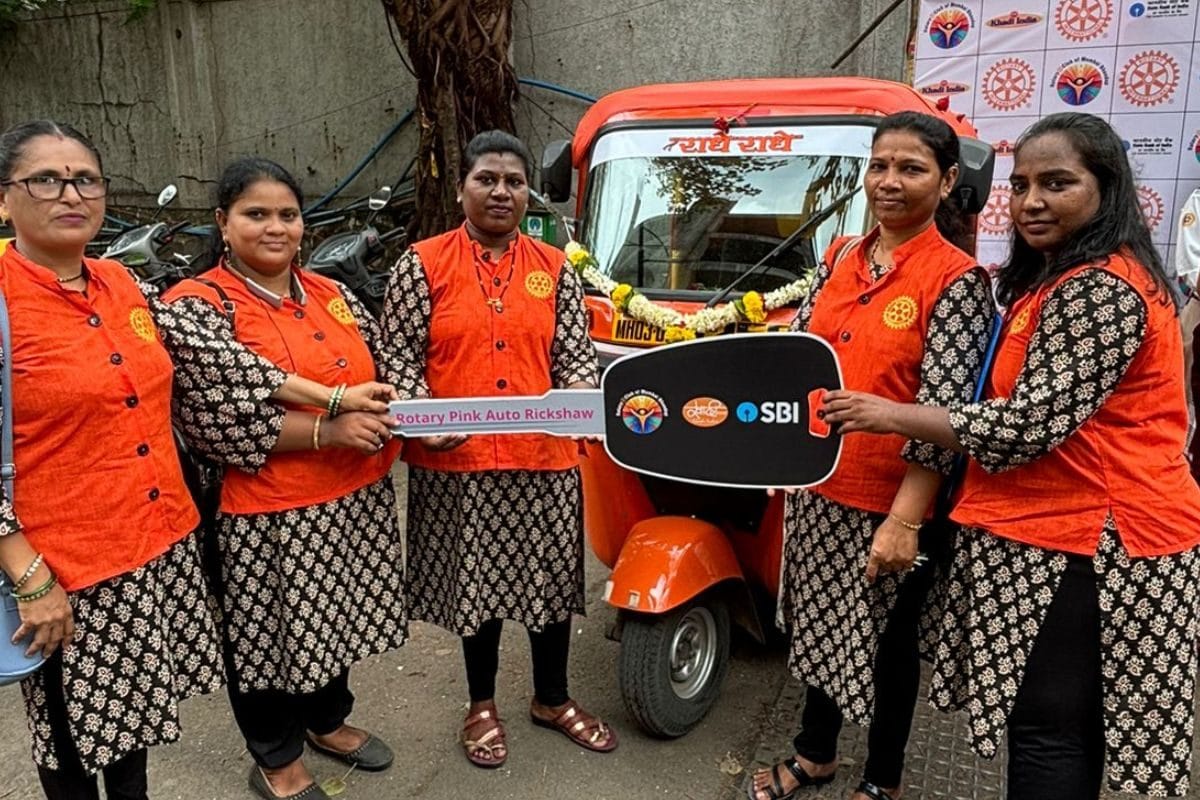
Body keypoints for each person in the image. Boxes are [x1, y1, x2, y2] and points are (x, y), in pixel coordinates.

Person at [0, 121, 385, 800]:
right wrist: (29, 576)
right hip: (63, 563)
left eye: (85, 179)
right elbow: (218, 412)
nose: (71, 194)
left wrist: (333, 397)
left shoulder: (122, 284)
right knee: (71, 736)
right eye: (46, 180)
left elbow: (224, 363)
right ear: (5, 200)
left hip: (153, 542)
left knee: (131, 724)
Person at [822, 112, 1200, 799]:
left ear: (1107, 187)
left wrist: (889, 415)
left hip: (1094, 537)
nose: (1031, 202)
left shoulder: (1102, 288)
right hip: (1042, 532)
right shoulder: (1055, 279)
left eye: (1057, 184)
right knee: (1057, 727)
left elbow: (1027, 424)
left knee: (1049, 733)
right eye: (1021, 185)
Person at [750, 111, 993, 800]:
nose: (889, 181)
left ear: (947, 181)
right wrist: (780, 460)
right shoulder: (839, 258)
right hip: (819, 486)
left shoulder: (956, 281)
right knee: (823, 627)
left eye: (911, 168)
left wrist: (904, 522)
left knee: (889, 647)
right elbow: (799, 361)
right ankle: (815, 754)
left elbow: (944, 414)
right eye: (880, 165)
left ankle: (882, 779)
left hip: (892, 502)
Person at [162, 157, 407, 800]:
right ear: (223, 222)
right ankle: (277, 755)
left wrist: (416, 413)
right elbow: (215, 421)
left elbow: (381, 367)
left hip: (350, 495)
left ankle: (327, 720)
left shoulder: (330, 292)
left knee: (333, 616)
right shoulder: (197, 306)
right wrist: (331, 429)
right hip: (265, 510)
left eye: (288, 215)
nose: (276, 227)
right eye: (257, 214)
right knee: (266, 636)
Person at [380, 130, 614, 768]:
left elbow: (574, 356)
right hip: (460, 461)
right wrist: (421, 419)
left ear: (528, 193)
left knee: (548, 582)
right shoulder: (421, 264)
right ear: (462, 189)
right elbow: (398, 356)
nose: (501, 191)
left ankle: (552, 698)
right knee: (474, 585)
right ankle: (480, 704)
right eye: (487, 178)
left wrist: (581, 402)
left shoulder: (555, 267)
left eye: (514, 181)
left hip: (543, 459)